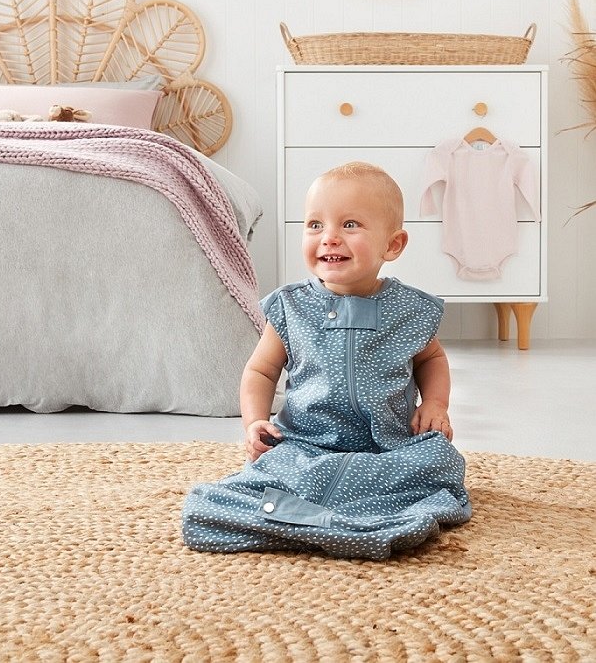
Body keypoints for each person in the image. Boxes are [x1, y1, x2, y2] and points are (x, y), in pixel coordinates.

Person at [182, 162, 471, 560]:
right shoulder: (292, 306)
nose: (329, 237)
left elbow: (431, 358)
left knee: (442, 459)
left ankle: (318, 513)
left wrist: (435, 403)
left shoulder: (409, 309)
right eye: (315, 225)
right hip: (306, 446)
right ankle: (357, 517)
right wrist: (255, 423)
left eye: (350, 225)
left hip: (387, 450)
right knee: (277, 470)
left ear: (392, 245)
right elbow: (260, 370)